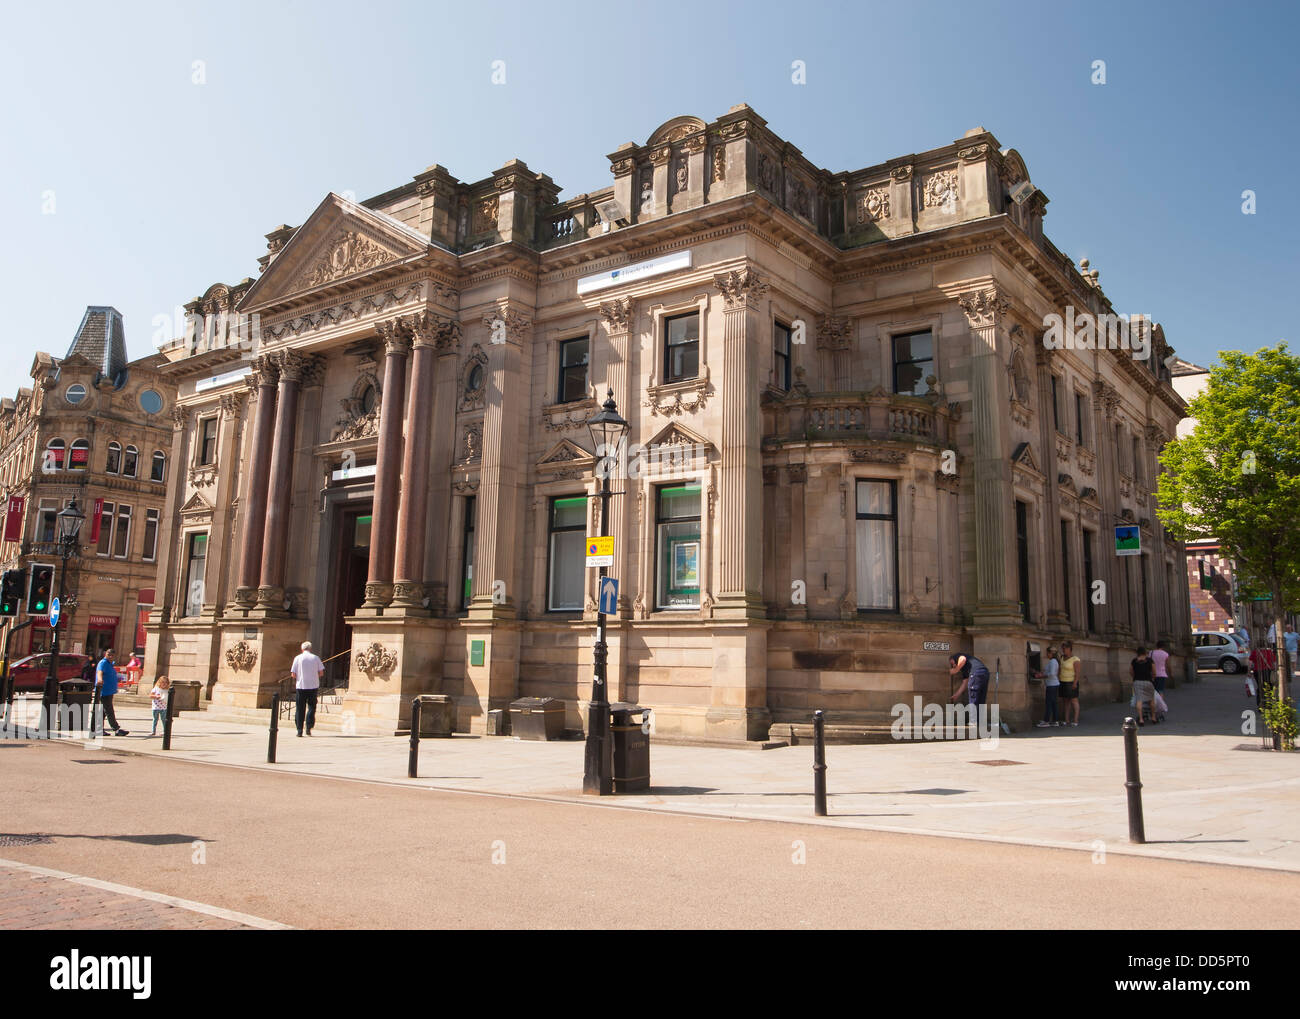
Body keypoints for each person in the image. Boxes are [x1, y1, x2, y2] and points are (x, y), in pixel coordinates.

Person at [289, 641, 324, 737]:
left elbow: (293, 674)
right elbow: (321, 673)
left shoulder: (297, 658)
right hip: (313, 686)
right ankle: (308, 727)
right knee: (312, 707)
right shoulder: (315, 658)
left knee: (300, 708)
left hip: (301, 686)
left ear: (302, 649)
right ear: (310, 648)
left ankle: (299, 729)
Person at [94, 649, 128, 737]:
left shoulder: (110, 664)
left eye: (112, 655)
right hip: (104, 691)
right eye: (108, 654)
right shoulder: (103, 663)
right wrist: (100, 679)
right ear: (105, 654)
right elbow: (99, 672)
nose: (110, 656)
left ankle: (99, 729)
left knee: (104, 712)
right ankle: (116, 729)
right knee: (109, 710)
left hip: (109, 691)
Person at [1034, 645, 1061, 728]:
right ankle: (1055, 720)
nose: (1046, 655)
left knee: (1049, 703)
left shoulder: (1053, 661)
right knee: (1053, 704)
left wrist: (1041, 676)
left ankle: (1046, 721)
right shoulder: (1053, 661)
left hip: (1052, 685)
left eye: (1047, 653)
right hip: (1053, 685)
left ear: (1050, 653)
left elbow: (1052, 674)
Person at [1058, 641, 1083, 726]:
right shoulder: (1062, 658)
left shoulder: (1075, 659)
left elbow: (1077, 673)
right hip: (1063, 681)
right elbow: (1060, 669)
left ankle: (1075, 720)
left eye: (1065, 648)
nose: (1063, 650)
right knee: (1066, 701)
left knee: (1074, 701)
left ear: (1070, 649)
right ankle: (1066, 720)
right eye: (1063, 648)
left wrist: (1075, 683)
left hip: (1071, 682)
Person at [1131, 647, 1157, 726]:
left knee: (1139, 700)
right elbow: (1154, 671)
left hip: (1137, 682)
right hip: (1148, 681)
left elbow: (1131, 671)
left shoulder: (1134, 661)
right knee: (1151, 700)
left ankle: (1141, 719)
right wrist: (1153, 678)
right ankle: (1153, 717)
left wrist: (1135, 677)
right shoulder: (1150, 660)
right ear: (1145, 652)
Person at [1249, 636, 1275, 708]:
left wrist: (1249, 672)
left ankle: (1260, 704)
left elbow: (1250, 663)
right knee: (1269, 687)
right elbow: (1274, 662)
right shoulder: (1269, 652)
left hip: (1258, 671)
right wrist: (1275, 669)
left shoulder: (1255, 652)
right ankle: (1269, 703)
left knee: (1260, 687)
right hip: (1268, 671)